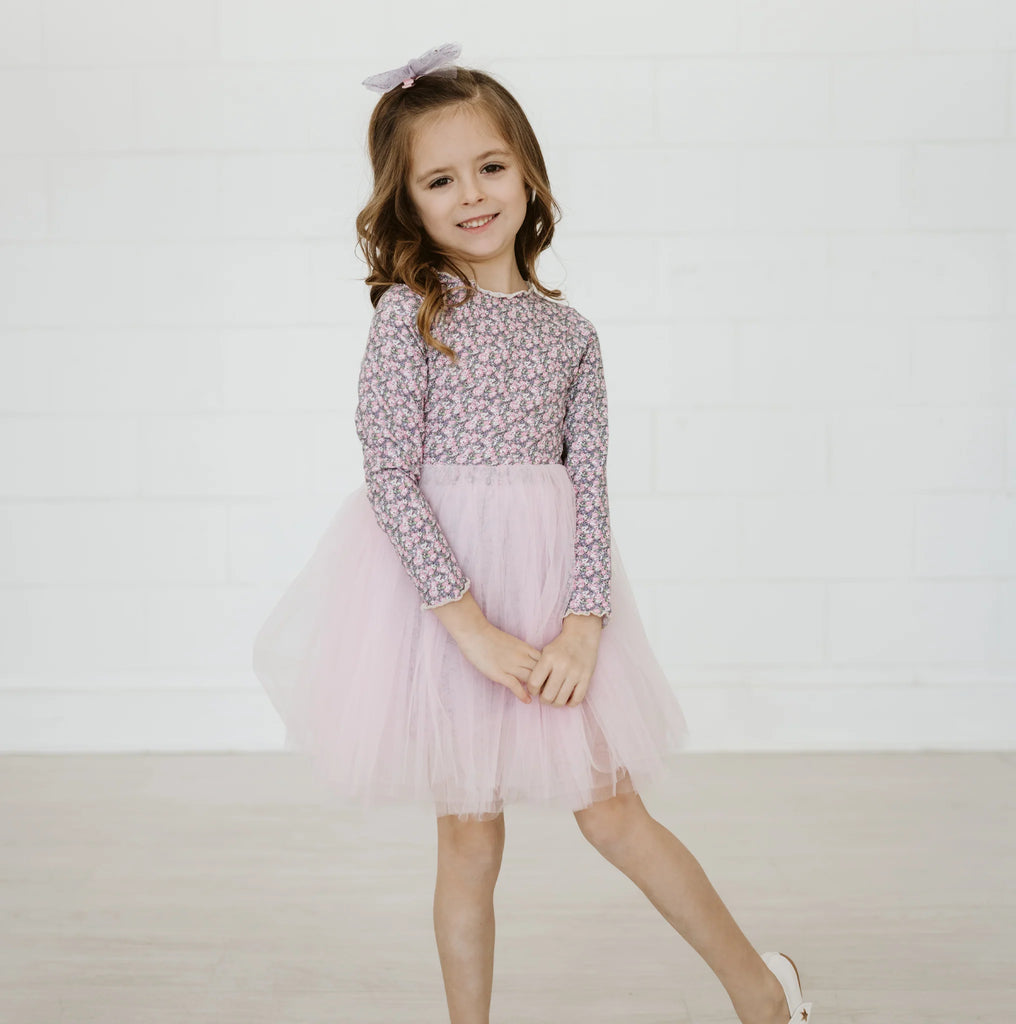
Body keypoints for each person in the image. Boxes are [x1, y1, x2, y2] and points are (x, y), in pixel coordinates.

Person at [252, 42, 814, 1024]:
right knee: (469, 836)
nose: (471, 194)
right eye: (439, 179)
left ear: (528, 174)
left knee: (613, 813)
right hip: (444, 613)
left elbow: (589, 490)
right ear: (407, 201)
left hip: (553, 608)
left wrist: (584, 625)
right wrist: (468, 628)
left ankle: (762, 991)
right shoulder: (410, 315)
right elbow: (389, 476)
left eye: (490, 166)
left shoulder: (572, 335)